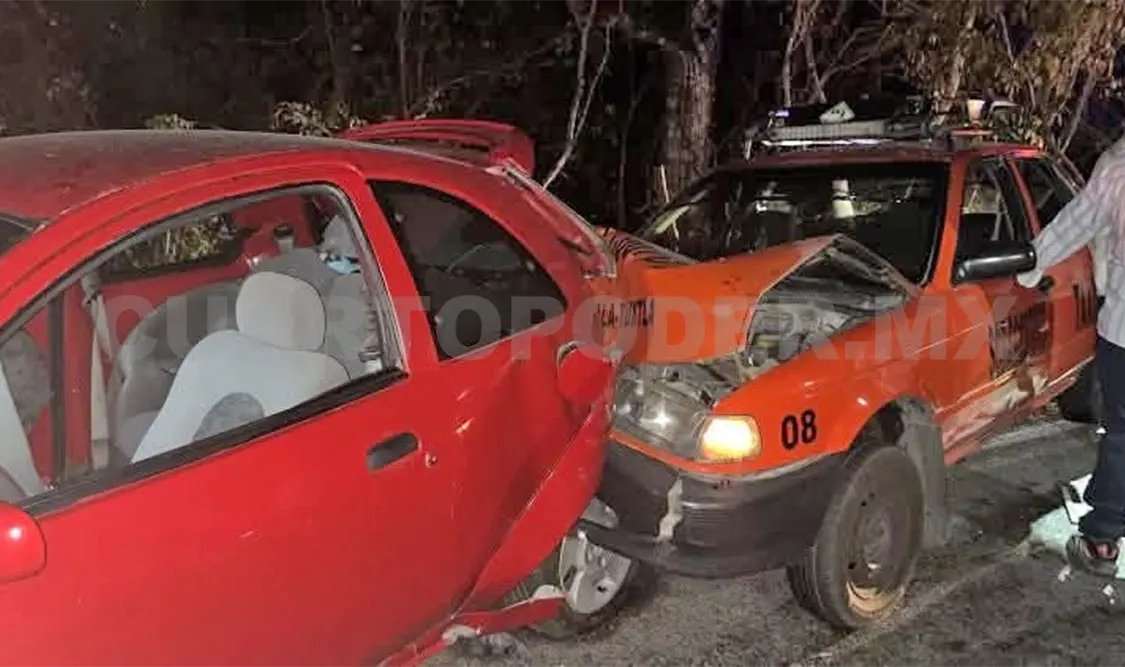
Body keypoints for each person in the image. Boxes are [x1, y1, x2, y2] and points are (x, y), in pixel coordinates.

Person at [1017, 140, 1125, 577]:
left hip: (1123, 330)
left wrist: (1025, 268)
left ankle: (1102, 540)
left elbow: (1072, 226)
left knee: (1123, 437)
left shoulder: (1118, 168)